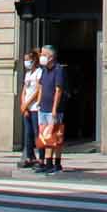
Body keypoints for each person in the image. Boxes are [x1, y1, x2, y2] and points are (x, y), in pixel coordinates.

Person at [32, 44, 69, 174]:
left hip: (54, 110)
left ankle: (56, 163)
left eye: (43, 54)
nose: (41, 56)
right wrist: (39, 102)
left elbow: (58, 90)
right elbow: (41, 87)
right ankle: (47, 162)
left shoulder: (58, 70)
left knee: (55, 136)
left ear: (51, 57)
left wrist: (54, 109)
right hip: (43, 108)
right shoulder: (44, 70)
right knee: (45, 137)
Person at [17, 49, 41, 169]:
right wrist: (23, 105)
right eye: (25, 60)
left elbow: (37, 91)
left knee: (37, 133)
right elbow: (24, 90)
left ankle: (41, 157)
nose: (26, 62)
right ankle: (30, 156)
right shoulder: (27, 74)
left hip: (35, 108)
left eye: (28, 60)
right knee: (28, 133)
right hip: (27, 107)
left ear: (34, 60)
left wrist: (27, 104)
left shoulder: (39, 72)